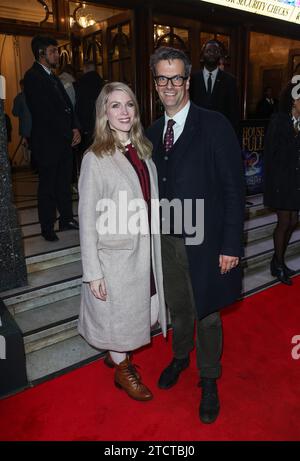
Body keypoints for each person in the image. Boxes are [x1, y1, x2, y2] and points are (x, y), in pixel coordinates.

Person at [147, 47, 244, 423]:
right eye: (162, 78)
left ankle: (209, 377)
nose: (169, 85)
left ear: (187, 81)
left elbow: (235, 190)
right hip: (167, 239)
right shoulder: (153, 132)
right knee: (180, 305)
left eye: (175, 78)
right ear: (155, 83)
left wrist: (230, 244)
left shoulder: (215, 124)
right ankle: (181, 355)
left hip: (206, 239)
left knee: (207, 312)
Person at [78, 82, 167, 402]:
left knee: (149, 312)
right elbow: (87, 219)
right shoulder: (95, 157)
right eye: (115, 105)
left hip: (144, 251)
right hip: (115, 257)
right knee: (122, 318)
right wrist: (93, 272)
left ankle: (116, 353)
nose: (124, 112)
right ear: (104, 112)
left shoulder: (142, 150)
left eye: (129, 104)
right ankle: (122, 366)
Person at [24, 35, 81, 241]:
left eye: (56, 51)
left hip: (64, 140)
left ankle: (66, 219)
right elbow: (44, 112)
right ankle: (47, 227)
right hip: (48, 142)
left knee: (64, 182)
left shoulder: (54, 76)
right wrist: (68, 131)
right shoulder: (32, 77)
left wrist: (75, 127)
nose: (57, 54)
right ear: (41, 54)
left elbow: (68, 106)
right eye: (53, 51)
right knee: (48, 186)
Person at [263, 81, 300, 285]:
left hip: (294, 181)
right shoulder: (278, 120)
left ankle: (277, 261)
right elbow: (271, 154)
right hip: (280, 181)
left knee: (293, 221)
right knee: (284, 222)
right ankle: (278, 264)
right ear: (294, 101)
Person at [190, 40, 239, 133]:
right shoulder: (192, 80)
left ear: (220, 55)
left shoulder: (230, 80)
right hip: (196, 132)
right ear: (202, 55)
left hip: (221, 133)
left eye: (215, 51)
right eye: (208, 51)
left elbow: (234, 112)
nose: (212, 54)